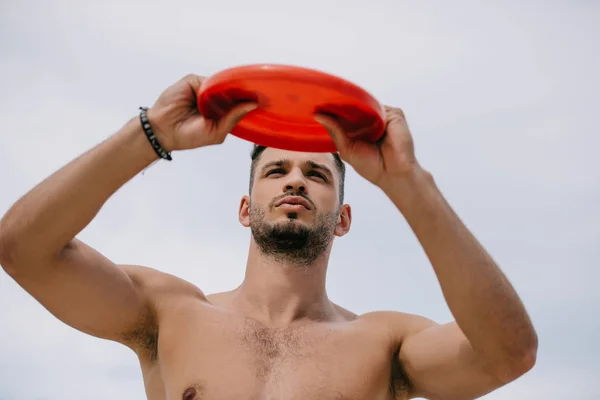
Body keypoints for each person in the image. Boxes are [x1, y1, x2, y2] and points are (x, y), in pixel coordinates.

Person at [0, 74, 537, 400]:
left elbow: (508, 354)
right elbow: (22, 248)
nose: (296, 179)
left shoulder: (384, 344)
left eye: (318, 173)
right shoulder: (167, 313)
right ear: (244, 208)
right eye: (276, 170)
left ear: (344, 219)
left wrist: (409, 184)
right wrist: (150, 135)